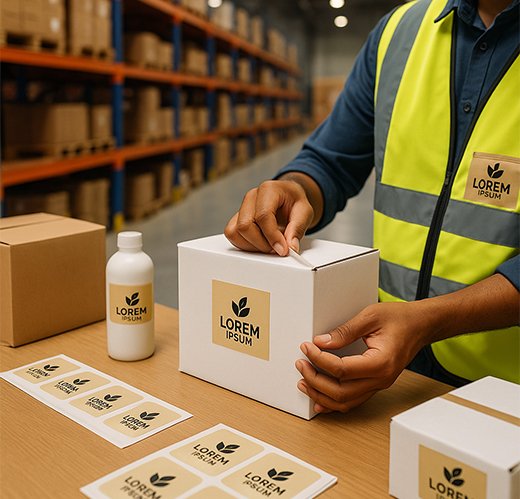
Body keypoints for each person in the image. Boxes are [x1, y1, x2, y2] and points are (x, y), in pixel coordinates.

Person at [224, 0, 520, 414]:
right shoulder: (398, 33)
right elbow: (332, 160)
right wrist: (297, 188)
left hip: (504, 390)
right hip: (387, 371)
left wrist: (429, 321)